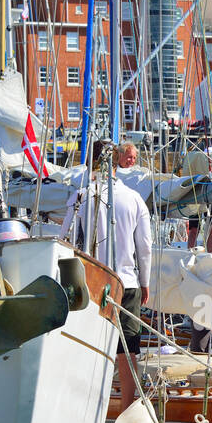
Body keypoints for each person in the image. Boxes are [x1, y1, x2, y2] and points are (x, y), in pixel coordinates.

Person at [72, 142, 152, 409]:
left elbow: (68, 240)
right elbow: (145, 247)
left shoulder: (81, 197)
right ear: (115, 162)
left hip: (92, 284)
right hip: (127, 284)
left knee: (89, 349)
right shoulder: (134, 199)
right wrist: (146, 283)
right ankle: (127, 409)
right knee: (128, 354)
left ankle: (90, 407)